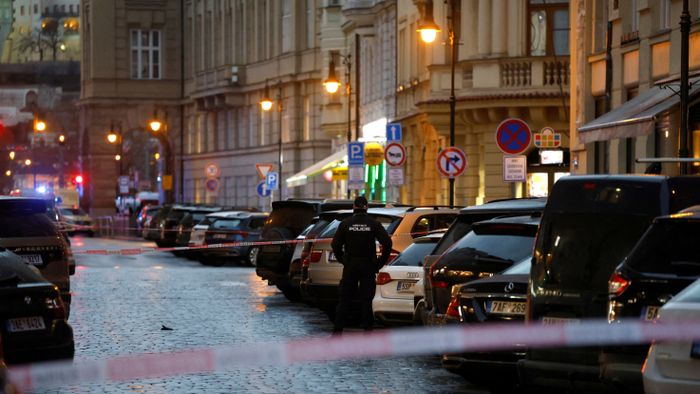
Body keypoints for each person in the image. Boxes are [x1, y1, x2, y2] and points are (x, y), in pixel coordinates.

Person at [331, 196, 392, 333]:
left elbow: (335, 244)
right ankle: (367, 329)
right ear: (366, 208)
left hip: (351, 264)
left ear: (353, 207)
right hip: (368, 265)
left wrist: (342, 259)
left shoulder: (346, 223)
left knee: (345, 298)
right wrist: (379, 263)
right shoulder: (373, 224)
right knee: (366, 299)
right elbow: (387, 243)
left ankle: (338, 330)